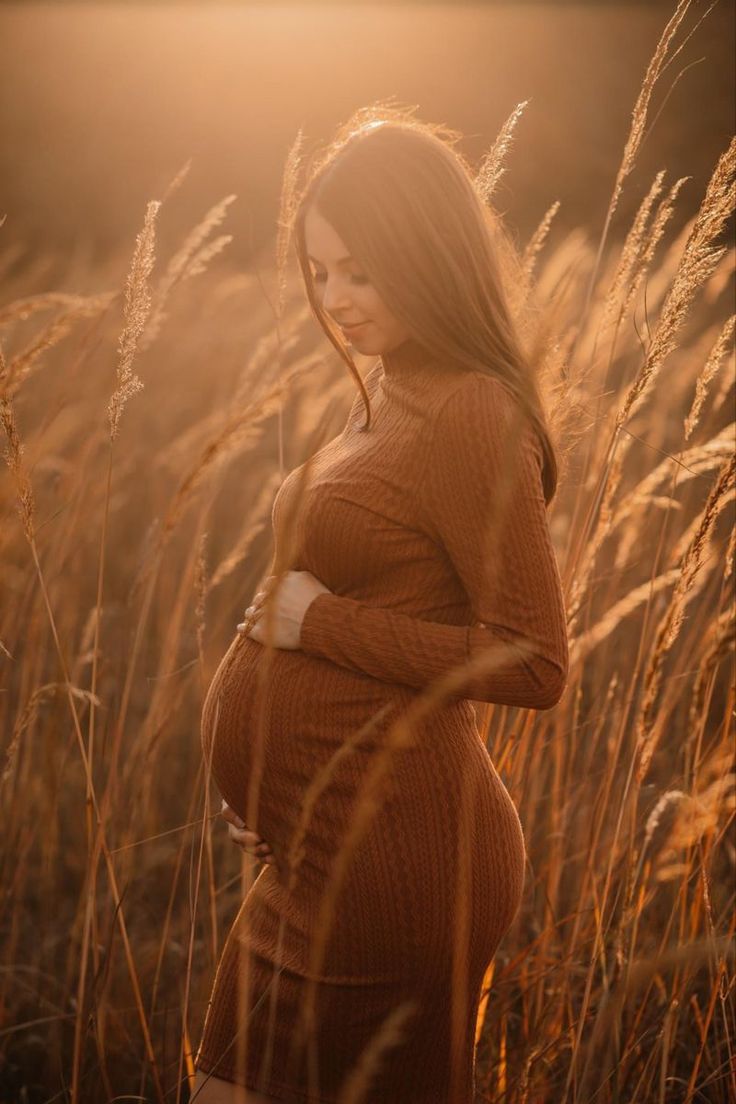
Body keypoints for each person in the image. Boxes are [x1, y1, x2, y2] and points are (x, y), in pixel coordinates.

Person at [192, 106, 569, 1103]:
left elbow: (532, 662)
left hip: (397, 871)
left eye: (360, 270)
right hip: (318, 852)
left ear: (425, 252)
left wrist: (317, 624)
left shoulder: (472, 410)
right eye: (319, 272)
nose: (337, 299)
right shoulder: (397, 387)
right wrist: (276, 786)